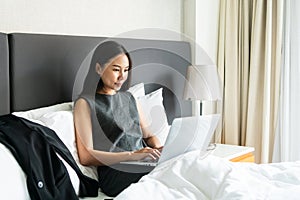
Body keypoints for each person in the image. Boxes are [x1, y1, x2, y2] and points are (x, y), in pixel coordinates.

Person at [73, 40, 163, 197]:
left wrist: (158, 151)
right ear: (98, 68)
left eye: (126, 70)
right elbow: (86, 156)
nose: (122, 76)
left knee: (184, 161)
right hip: (116, 171)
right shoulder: (85, 103)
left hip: (143, 162)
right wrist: (132, 156)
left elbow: (148, 136)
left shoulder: (130, 98)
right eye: (116, 70)